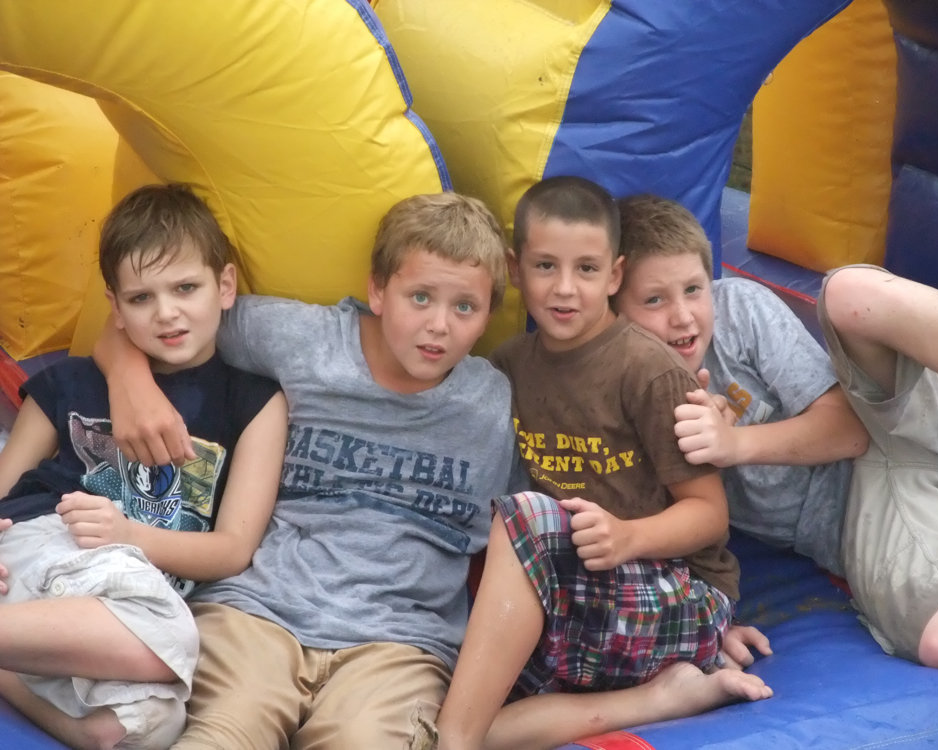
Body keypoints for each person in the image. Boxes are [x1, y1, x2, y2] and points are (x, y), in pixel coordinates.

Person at [94, 191, 522, 749]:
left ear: (489, 314)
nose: (438, 326)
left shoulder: (491, 403)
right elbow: (150, 320)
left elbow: (525, 536)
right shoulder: (305, 340)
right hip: (258, 611)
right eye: (419, 297)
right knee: (224, 733)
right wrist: (130, 381)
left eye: (465, 307)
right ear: (377, 289)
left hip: (398, 645)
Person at [433, 176, 772, 750]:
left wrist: (626, 537)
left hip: (681, 594)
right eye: (545, 267)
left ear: (613, 276)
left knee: (527, 518)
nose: (565, 289)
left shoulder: (649, 371)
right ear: (515, 270)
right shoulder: (510, 366)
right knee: (468, 711)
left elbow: (709, 515)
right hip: (579, 595)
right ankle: (659, 699)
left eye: (586, 270)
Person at [613, 193, 938, 674]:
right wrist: (705, 621)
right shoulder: (627, 398)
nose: (683, 316)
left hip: (888, 422)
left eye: (694, 289)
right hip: (866, 514)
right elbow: (649, 522)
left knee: (849, 291)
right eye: (654, 300)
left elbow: (849, 430)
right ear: (616, 311)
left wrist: (733, 445)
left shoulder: (738, 312)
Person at [0, 183, 288, 750]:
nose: (167, 313)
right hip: (46, 546)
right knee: (174, 634)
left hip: (120, 600)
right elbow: (7, 485)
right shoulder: (70, 383)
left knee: (152, 722)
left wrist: (130, 535)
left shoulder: (252, 402)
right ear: (115, 306)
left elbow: (232, 548)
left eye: (186, 288)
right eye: (141, 298)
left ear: (225, 285)